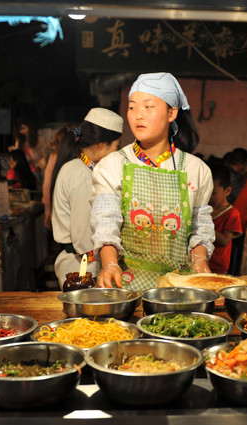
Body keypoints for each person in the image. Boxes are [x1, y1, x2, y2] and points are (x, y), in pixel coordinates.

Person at [91, 72, 214, 290]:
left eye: (148, 107)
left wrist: (200, 260)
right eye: (132, 107)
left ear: (171, 113)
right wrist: (109, 263)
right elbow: (105, 221)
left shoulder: (196, 170)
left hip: (178, 291)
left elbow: (200, 226)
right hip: (124, 287)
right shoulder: (112, 165)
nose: (138, 115)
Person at [51, 108, 123, 288]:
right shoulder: (81, 174)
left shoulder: (80, 168)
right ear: (101, 145)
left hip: (82, 262)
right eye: (116, 147)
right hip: (82, 265)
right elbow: (84, 235)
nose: (117, 153)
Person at [207, 164, 242, 274]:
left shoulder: (232, 214)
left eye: (213, 193)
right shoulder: (205, 209)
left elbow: (225, 241)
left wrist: (205, 226)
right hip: (200, 263)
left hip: (218, 268)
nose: (209, 196)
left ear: (227, 191)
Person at [42, 126, 70, 230]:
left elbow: (47, 186)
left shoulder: (54, 156)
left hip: (58, 205)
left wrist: (47, 212)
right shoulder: (80, 156)